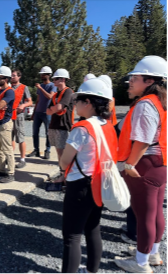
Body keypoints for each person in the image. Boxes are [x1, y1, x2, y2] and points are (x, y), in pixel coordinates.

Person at [115, 56, 167, 274]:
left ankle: (141, 263)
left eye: (134, 78)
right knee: (154, 212)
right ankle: (152, 253)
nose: (130, 82)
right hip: (160, 163)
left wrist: (129, 165)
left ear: (149, 81)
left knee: (143, 213)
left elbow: (143, 139)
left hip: (144, 164)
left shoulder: (146, 104)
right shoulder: (160, 102)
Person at [60, 77, 118, 274]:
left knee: (72, 236)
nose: (75, 105)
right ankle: (92, 271)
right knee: (93, 228)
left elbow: (64, 161)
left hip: (80, 185)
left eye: (78, 101)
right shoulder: (108, 125)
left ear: (89, 103)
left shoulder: (82, 128)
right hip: (100, 183)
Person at [47, 69, 74, 184]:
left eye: (56, 79)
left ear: (63, 79)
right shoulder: (56, 95)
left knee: (62, 153)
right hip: (54, 125)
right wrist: (55, 108)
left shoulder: (68, 92)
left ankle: (65, 176)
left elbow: (58, 108)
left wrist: (55, 108)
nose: (53, 80)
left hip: (63, 126)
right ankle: (63, 174)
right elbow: (48, 111)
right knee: (59, 152)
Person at [28, 66, 57, 159]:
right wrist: (34, 112)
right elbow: (38, 100)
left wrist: (40, 88)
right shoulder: (40, 86)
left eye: (44, 74)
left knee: (48, 133)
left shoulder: (52, 85)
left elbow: (50, 97)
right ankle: (36, 150)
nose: (42, 76)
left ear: (49, 75)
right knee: (35, 132)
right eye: (41, 74)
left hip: (47, 113)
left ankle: (47, 151)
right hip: (38, 112)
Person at [11, 70, 33, 169]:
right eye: (11, 76)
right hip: (9, 116)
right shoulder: (9, 87)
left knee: (20, 138)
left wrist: (23, 105)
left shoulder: (24, 88)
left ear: (19, 77)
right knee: (10, 138)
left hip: (19, 115)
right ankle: (10, 158)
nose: (12, 77)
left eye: (14, 76)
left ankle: (22, 159)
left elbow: (30, 101)